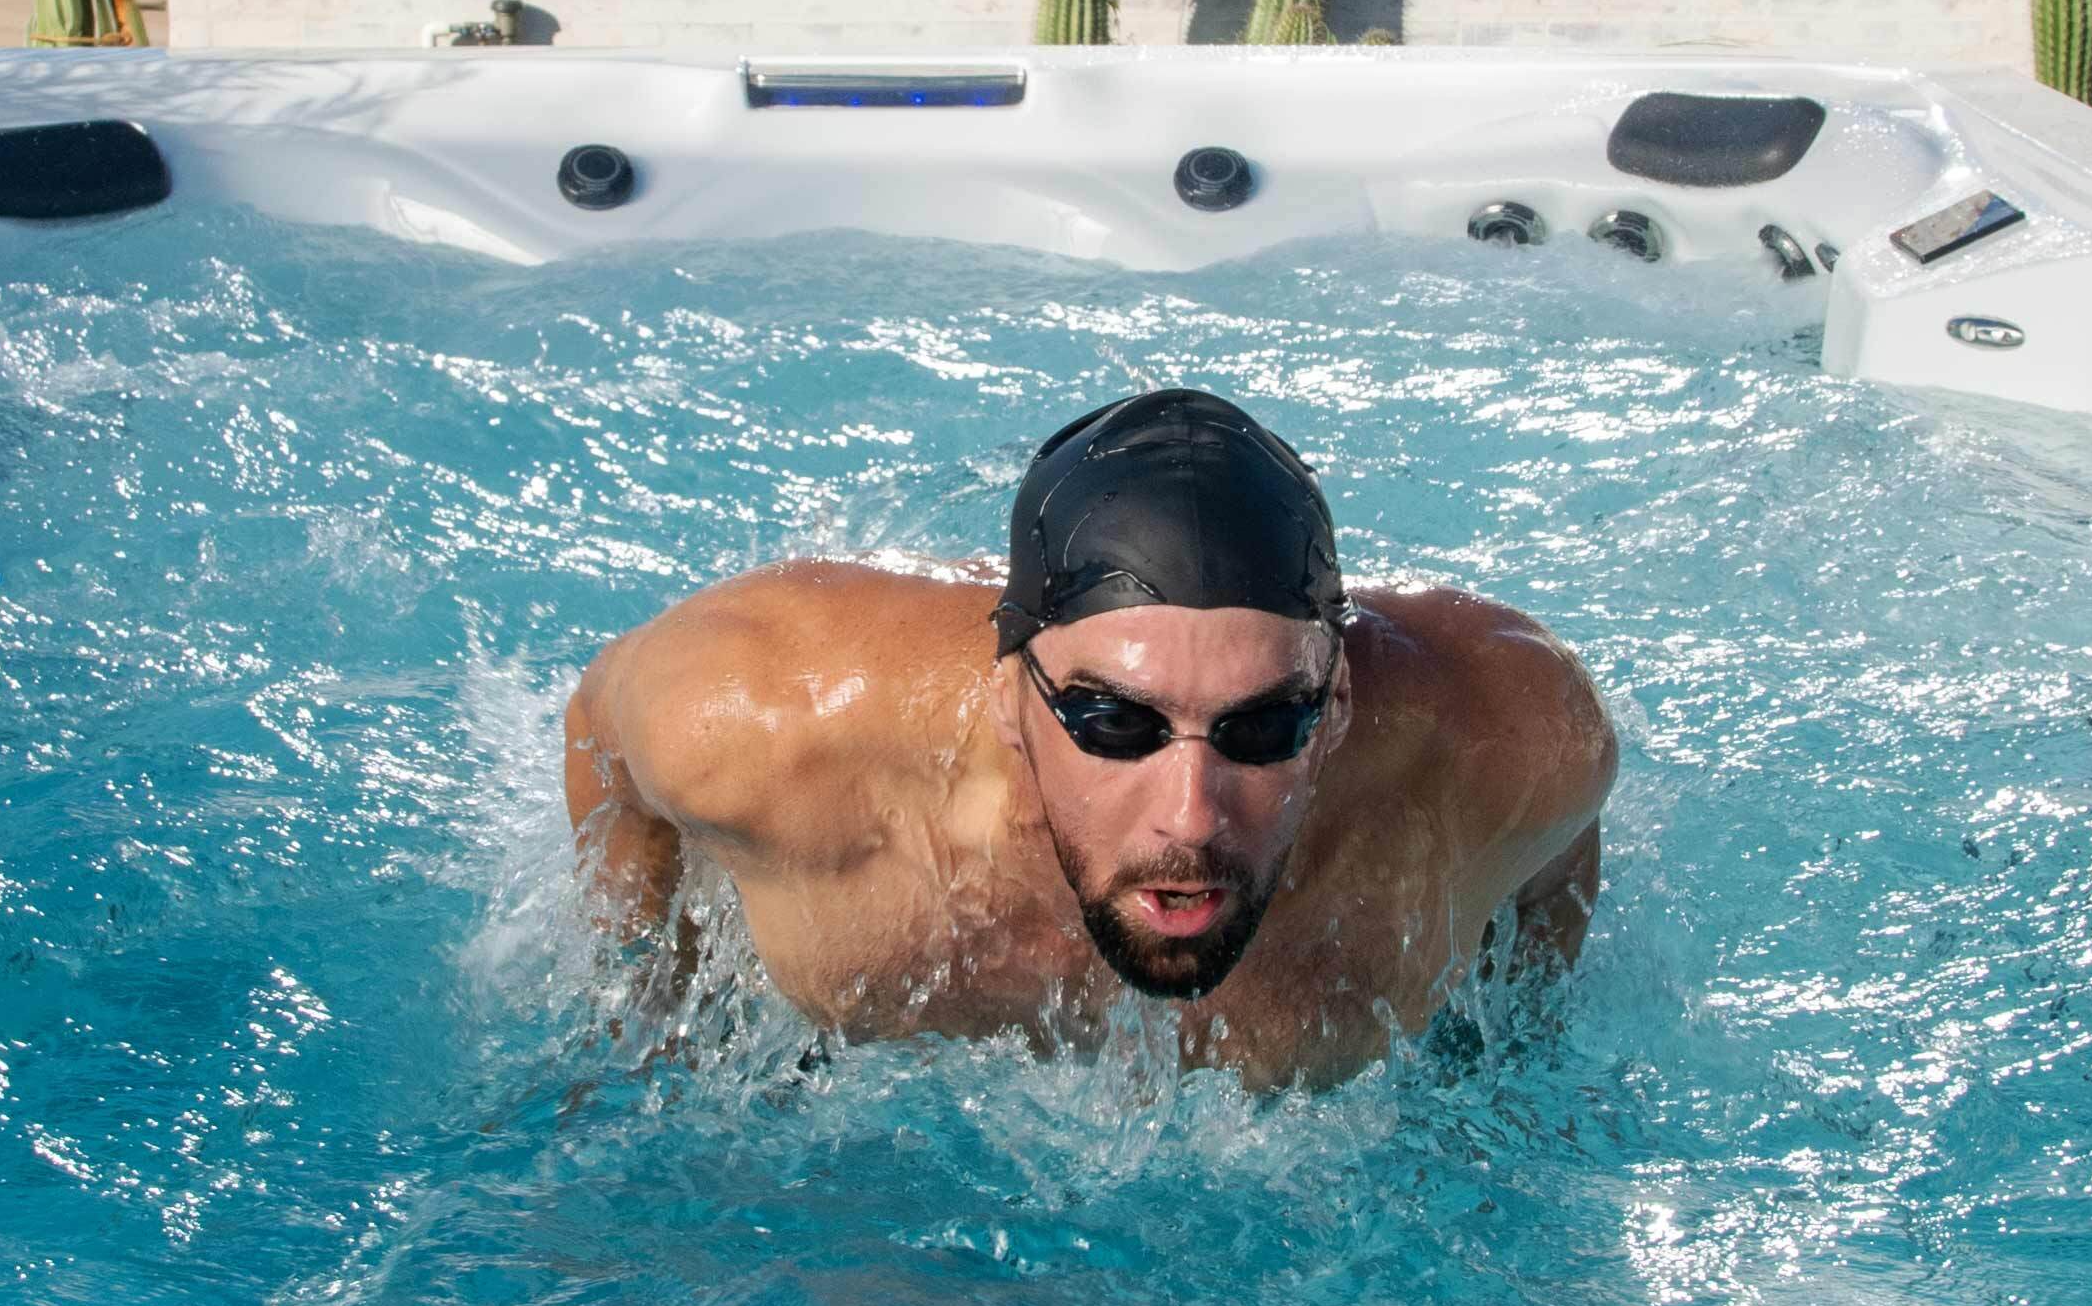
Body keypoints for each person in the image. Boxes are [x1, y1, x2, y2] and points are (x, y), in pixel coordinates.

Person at [560, 386, 1616, 1084]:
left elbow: (1557, 844)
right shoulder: (764, 724)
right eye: (1115, 720)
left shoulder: (1507, 740)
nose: (1189, 815)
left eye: (1262, 725)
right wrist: (642, 995)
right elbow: (597, 725)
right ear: (1013, 698)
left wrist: (1511, 1045)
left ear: (1334, 705)